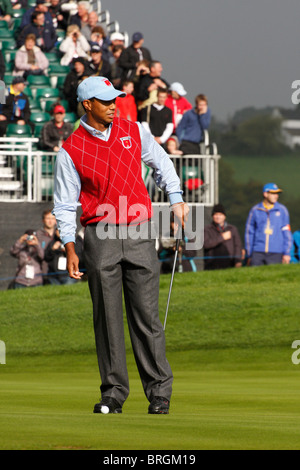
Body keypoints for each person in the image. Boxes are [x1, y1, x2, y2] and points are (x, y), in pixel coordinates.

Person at [53, 76, 189, 415]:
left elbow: (162, 163)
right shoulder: (70, 149)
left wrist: (175, 198)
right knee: (108, 319)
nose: (114, 104)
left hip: (140, 230)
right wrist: (70, 247)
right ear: (87, 104)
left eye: (115, 99)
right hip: (100, 236)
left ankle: (159, 392)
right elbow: (65, 204)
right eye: (105, 100)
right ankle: (113, 393)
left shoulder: (134, 130)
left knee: (146, 317)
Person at [245, 183, 292, 266]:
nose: (276, 196)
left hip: (276, 253)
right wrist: (249, 253)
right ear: (265, 194)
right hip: (257, 252)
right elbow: (249, 233)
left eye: (277, 193)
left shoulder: (282, 210)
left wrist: (286, 253)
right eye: (273, 193)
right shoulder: (255, 210)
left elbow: (287, 233)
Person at [204, 204, 243, 270]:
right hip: (212, 265)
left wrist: (238, 261)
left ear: (224, 216)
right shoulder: (207, 229)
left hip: (230, 263)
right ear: (212, 216)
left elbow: (238, 246)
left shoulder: (232, 229)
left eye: (220, 215)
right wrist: (222, 237)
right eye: (216, 214)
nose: (218, 217)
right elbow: (206, 244)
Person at [36, 209, 57, 282]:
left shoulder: (60, 234)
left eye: (52, 218)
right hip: (42, 270)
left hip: (58, 270)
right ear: (43, 220)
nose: (50, 221)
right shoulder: (38, 235)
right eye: (48, 218)